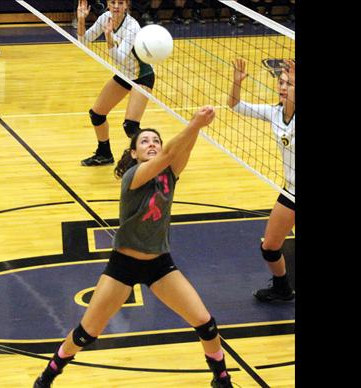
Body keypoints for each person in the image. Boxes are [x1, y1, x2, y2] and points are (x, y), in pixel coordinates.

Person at [33, 105, 234, 388]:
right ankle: (49, 375)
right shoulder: (133, 176)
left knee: (205, 323)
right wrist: (193, 123)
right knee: (87, 333)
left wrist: (198, 128)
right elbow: (168, 154)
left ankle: (222, 378)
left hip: (159, 265)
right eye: (145, 141)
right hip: (123, 266)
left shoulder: (169, 175)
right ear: (133, 153)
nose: (152, 144)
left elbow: (179, 152)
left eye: (155, 140)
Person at [227, 58, 295, 302]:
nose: (283, 86)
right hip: (291, 192)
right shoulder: (275, 113)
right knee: (270, 247)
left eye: (289, 83)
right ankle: (282, 289)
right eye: (282, 82)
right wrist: (236, 83)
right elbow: (234, 106)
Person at [77, 0, 155, 167]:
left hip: (142, 75)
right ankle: (104, 154)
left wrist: (109, 38)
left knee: (130, 126)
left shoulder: (132, 27)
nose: (117, 6)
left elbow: (119, 57)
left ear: (126, 5)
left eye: (121, 2)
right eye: (113, 2)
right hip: (125, 73)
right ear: (108, 4)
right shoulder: (105, 18)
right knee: (97, 114)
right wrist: (81, 19)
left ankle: (155, 160)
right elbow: (83, 41)